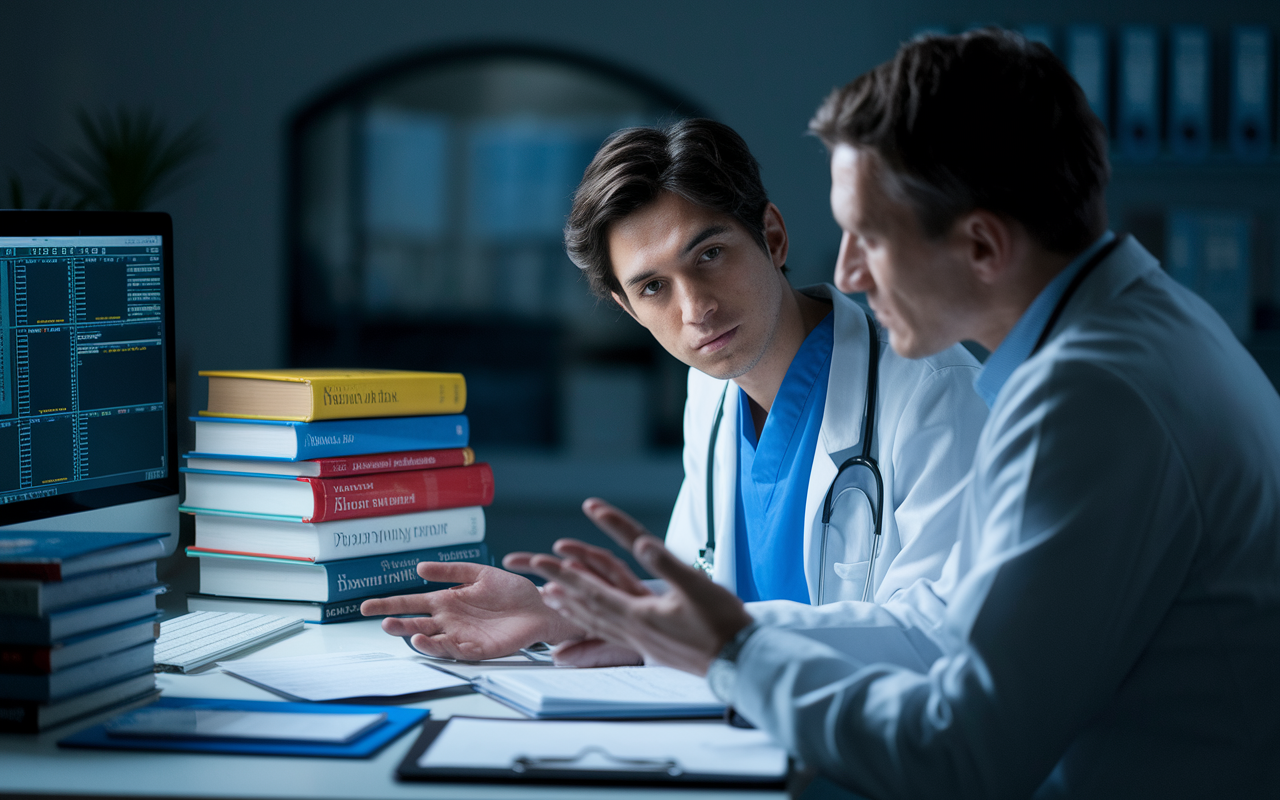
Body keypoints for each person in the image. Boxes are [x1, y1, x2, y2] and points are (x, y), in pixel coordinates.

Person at [516, 29, 1280, 798]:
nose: (845, 269)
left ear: (981, 245)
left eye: (869, 236)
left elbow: (960, 748)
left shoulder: (1084, 401)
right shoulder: (1155, 330)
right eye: (651, 287)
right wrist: (607, 617)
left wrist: (734, 649)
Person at [361, 118, 988, 662]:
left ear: (772, 237)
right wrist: (565, 614)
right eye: (653, 287)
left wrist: (702, 635)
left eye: (709, 255)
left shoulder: (936, 391)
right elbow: (702, 600)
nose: (697, 309)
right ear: (628, 308)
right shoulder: (710, 393)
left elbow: (936, 633)